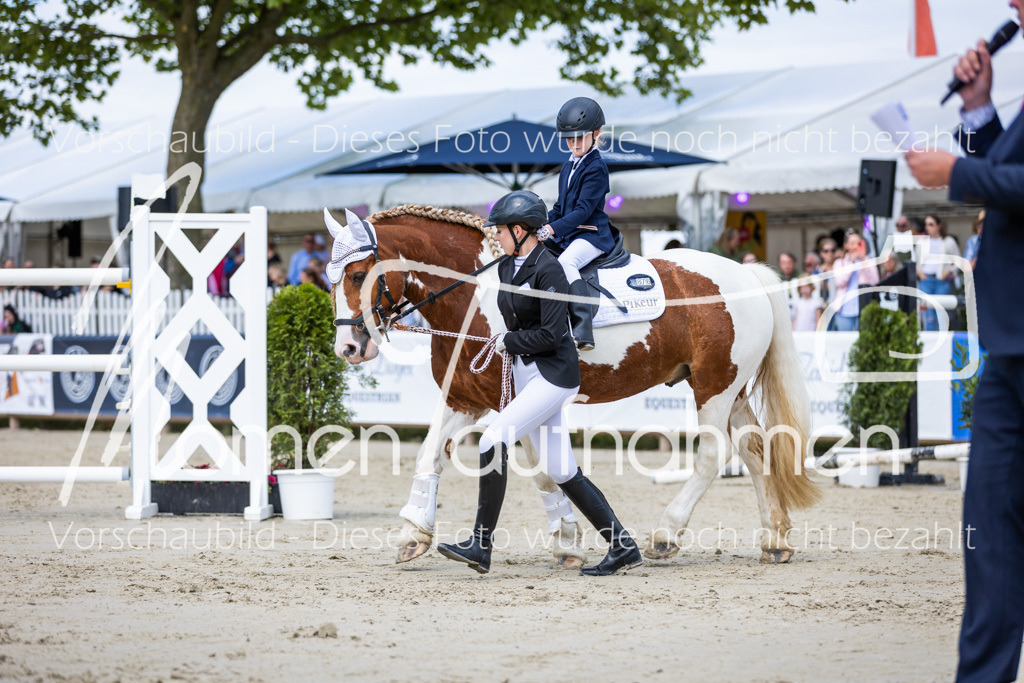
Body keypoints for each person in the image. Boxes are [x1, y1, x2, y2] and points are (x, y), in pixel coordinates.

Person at [905, 6, 1024, 677]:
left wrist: (954, 170)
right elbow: (1008, 176)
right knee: (987, 532)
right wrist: (978, 112)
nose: (1010, 6)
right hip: (1009, 345)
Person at [438, 190, 642, 577]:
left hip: (553, 376)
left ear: (520, 230)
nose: (495, 237)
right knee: (562, 470)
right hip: (526, 373)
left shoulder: (550, 269)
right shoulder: (505, 268)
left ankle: (481, 544)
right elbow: (511, 321)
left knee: (490, 440)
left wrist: (509, 341)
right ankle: (622, 546)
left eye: (499, 230)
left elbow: (552, 333)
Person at [539, 97, 621, 351]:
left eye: (579, 138)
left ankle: (583, 327)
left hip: (591, 234)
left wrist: (553, 229)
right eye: (569, 139)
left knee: (566, 263)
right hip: (569, 233)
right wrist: (539, 224)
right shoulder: (567, 166)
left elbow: (584, 211)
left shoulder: (596, 168)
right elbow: (560, 208)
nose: (573, 144)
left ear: (595, 134)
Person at [913, 214, 960, 331]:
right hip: (926, 280)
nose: (928, 227)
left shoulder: (948, 241)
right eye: (926, 224)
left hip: (941, 280)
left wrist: (948, 272)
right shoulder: (922, 242)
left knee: (942, 312)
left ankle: (943, 341)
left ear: (939, 226)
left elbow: (958, 261)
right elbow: (914, 261)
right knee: (928, 314)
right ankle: (930, 342)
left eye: (931, 224)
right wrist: (920, 274)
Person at [831, 231, 879, 332]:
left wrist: (863, 262)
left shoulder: (868, 261)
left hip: (863, 307)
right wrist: (851, 264)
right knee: (844, 340)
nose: (855, 247)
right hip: (844, 309)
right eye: (852, 243)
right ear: (846, 245)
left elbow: (874, 282)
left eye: (858, 243)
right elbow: (839, 283)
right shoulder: (840, 263)